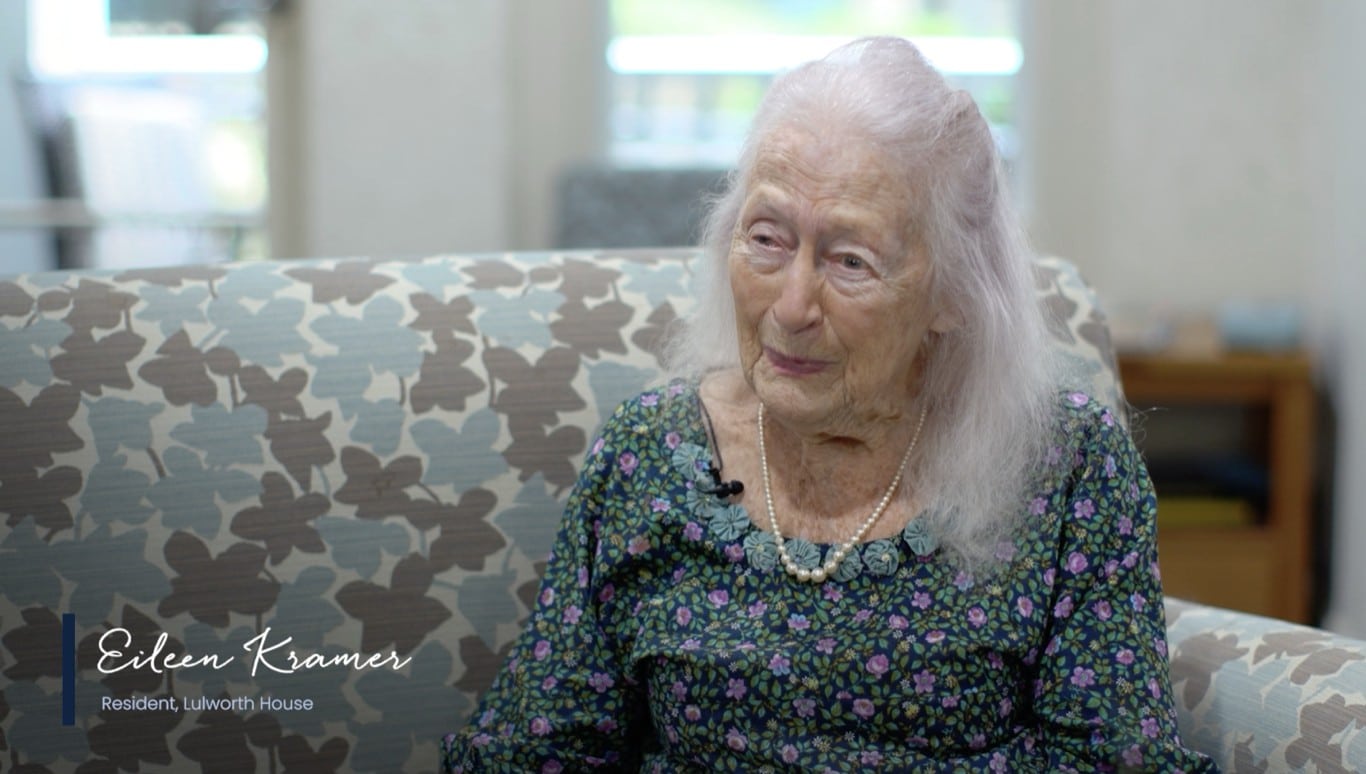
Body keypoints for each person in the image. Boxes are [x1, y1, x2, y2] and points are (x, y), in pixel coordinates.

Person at [442, 36, 1217, 772]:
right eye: (768, 239)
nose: (791, 307)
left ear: (953, 292)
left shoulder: (1063, 465)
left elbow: (1114, 757)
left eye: (850, 260)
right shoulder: (652, 453)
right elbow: (536, 745)